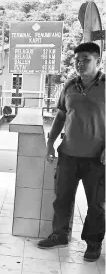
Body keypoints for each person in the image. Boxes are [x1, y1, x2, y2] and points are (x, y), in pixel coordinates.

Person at [38, 42, 105, 261]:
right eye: (77, 60)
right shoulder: (69, 86)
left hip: (98, 158)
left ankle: (93, 243)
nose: (80, 63)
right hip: (68, 154)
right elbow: (60, 116)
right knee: (62, 198)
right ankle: (60, 235)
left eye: (86, 59)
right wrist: (50, 144)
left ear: (98, 60)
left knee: (96, 204)